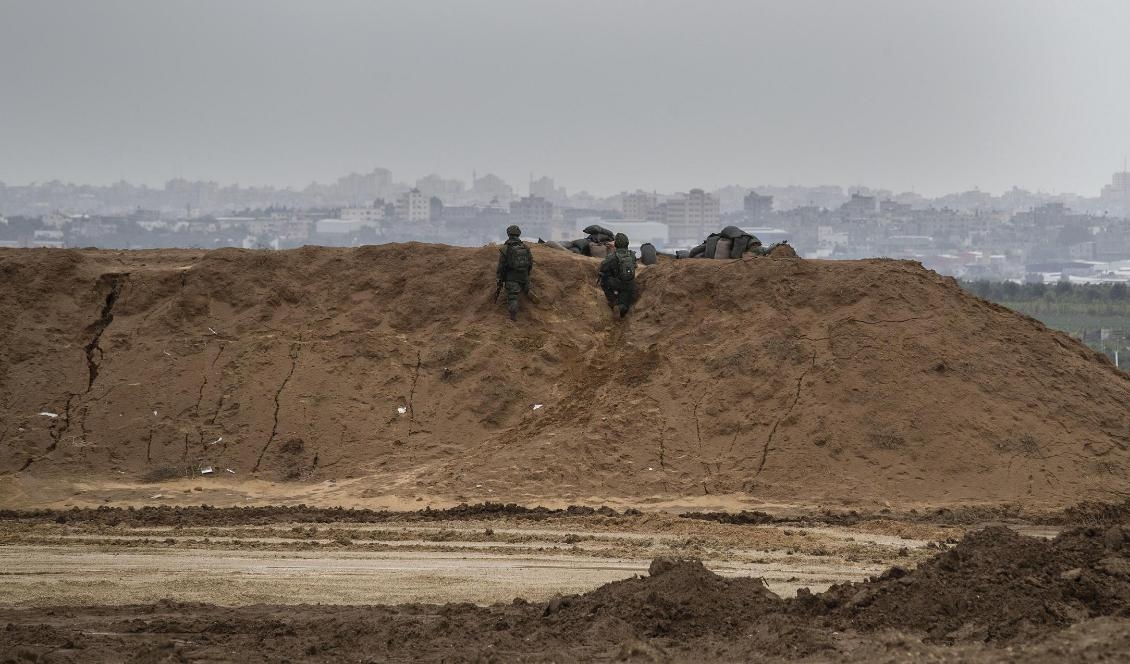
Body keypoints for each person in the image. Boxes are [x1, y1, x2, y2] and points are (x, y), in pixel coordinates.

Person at [496, 225, 533, 321]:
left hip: (511, 277)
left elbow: (501, 266)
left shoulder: (505, 248)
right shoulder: (525, 247)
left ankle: (513, 317)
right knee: (524, 286)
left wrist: (500, 278)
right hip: (524, 276)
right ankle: (527, 290)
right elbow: (530, 262)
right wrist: (527, 275)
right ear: (519, 234)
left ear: (508, 234)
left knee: (513, 297)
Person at [598, 232, 637, 319]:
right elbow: (635, 266)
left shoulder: (612, 256)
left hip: (616, 284)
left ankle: (613, 302)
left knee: (604, 279)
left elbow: (602, 268)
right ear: (627, 243)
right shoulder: (632, 255)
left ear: (615, 244)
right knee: (625, 305)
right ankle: (620, 308)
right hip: (629, 285)